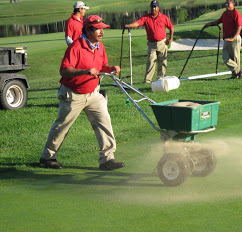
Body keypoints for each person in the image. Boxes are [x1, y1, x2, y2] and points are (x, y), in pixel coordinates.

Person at [40, 15, 125, 171]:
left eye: (102, 28)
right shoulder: (76, 46)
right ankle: (47, 157)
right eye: (98, 29)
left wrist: (111, 69)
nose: (102, 32)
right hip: (73, 94)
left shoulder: (100, 46)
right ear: (88, 29)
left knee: (104, 122)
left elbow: (101, 67)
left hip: (93, 94)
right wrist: (84, 71)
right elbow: (64, 70)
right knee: (62, 126)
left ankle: (107, 159)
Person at [125, 0, 174, 83]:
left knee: (162, 61)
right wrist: (128, 25)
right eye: (152, 7)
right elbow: (137, 23)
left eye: (155, 7)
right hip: (151, 44)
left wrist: (171, 38)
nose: (153, 9)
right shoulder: (146, 17)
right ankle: (147, 80)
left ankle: (160, 78)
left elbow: (171, 27)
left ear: (158, 8)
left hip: (162, 42)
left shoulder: (164, 17)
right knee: (150, 61)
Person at [205, 0, 242, 79]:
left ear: (233, 4)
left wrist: (233, 38)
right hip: (227, 39)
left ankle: (235, 75)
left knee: (235, 57)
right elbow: (218, 21)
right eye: (226, 3)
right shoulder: (225, 14)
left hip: (234, 38)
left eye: (228, 3)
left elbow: (239, 27)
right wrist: (210, 24)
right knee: (225, 57)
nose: (226, 5)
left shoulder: (236, 14)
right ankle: (239, 71)